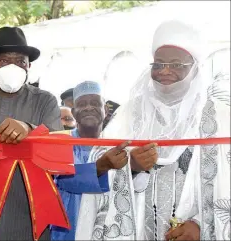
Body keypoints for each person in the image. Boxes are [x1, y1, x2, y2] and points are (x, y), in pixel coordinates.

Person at [0, 26, 107, 240]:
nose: (12, 67)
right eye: (3, 61)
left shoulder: (45, 101)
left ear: (29, 66)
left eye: (20, 61)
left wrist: (29, 128)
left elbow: (56, 150)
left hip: (30, 219)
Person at [76, 20, 230, 241]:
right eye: (158, 64)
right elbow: (99, 163)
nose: (165, 71)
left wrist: (201, 225)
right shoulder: (130, 114)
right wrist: (130, 166)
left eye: (177, 64)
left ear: (195, 68)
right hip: (139, 229)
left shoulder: (220, 117)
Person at [51, 81, 130, 240]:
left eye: (95, 103)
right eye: (81, 104)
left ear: (106, 110)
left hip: (106, 226)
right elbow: (66, 180)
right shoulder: (59, 142)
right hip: (67, 229)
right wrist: (102, 167)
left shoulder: (117, 145)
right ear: (73, 112)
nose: (88, 108)